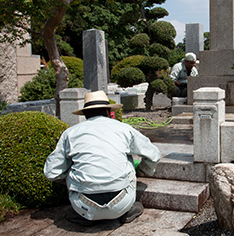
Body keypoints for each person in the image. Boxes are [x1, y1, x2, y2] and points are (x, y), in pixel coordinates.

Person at [44, 90, 161, 225]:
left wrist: (73, 178)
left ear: (85, 114)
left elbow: (51, 172)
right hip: (122, 202)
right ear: (108, 112)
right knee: (127, 159)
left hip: (82, 205)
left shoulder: (70, 133)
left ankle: (87, 216)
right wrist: (143, 169)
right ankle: (126, 211)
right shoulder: (123, 129)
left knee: (71, 166)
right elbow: (154, 154)